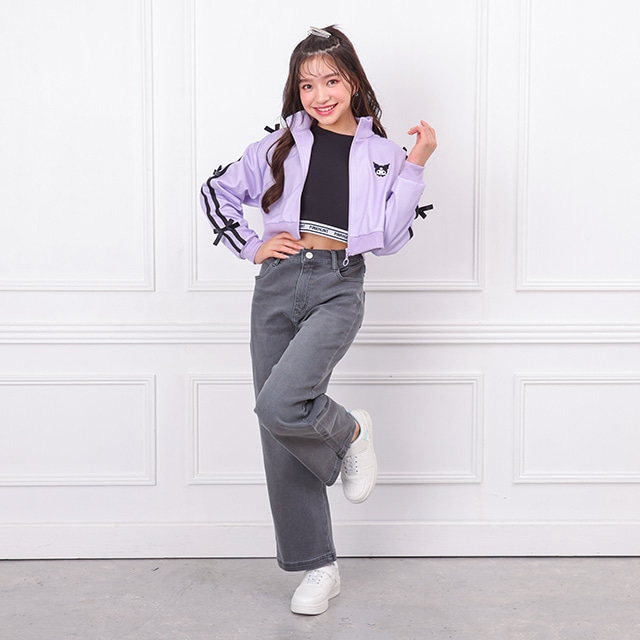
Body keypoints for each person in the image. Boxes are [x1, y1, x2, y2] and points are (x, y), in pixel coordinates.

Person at [200, 25, 437, 616]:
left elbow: (390, 238)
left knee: (282, 403)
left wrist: (415, 165)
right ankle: (317, 566)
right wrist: (252, 245)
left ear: (353, 81)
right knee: (277, 423)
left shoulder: (384, 156)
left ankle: (351, 431)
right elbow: (215, 191)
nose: (320, 95)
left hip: (338, 284)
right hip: (277, 285)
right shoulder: (278, 145)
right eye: (307, 85)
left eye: (331, 81)